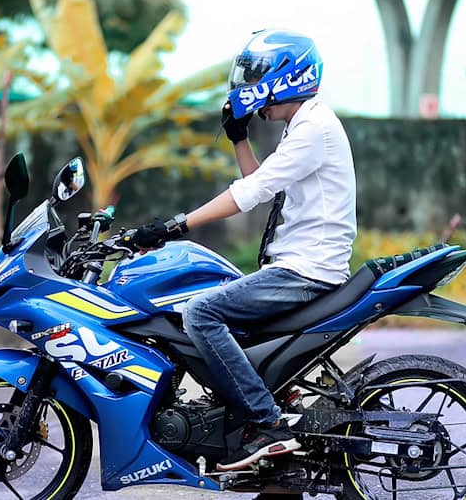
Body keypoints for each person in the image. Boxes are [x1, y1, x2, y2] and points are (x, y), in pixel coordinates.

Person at [125, 29, 357, 472]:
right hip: (301, 265)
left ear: (285, 76)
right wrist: (238, 137)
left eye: (256, 76)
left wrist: (176, 225)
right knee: (214, 301)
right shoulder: (306, 124)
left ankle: (265, 423)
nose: (248, 87)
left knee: (200, 313)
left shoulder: (314, 127)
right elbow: (262, 183)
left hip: (306, 271)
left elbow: (249, 193)